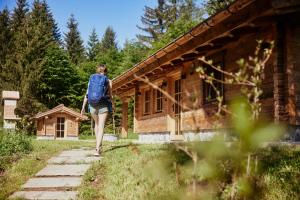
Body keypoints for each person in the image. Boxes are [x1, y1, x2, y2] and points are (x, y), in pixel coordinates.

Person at [81, 64, 114, 156]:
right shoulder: (108, 81)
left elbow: (87, 94)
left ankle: (97, 145)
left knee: (97, 124)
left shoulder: (91, 79)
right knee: (101, 126)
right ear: (106, 71)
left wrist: (83, 107)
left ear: (97, 70)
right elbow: (110, 95)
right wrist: (113, 104)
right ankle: (97, 148)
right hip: (103, 104)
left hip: (92, 105)